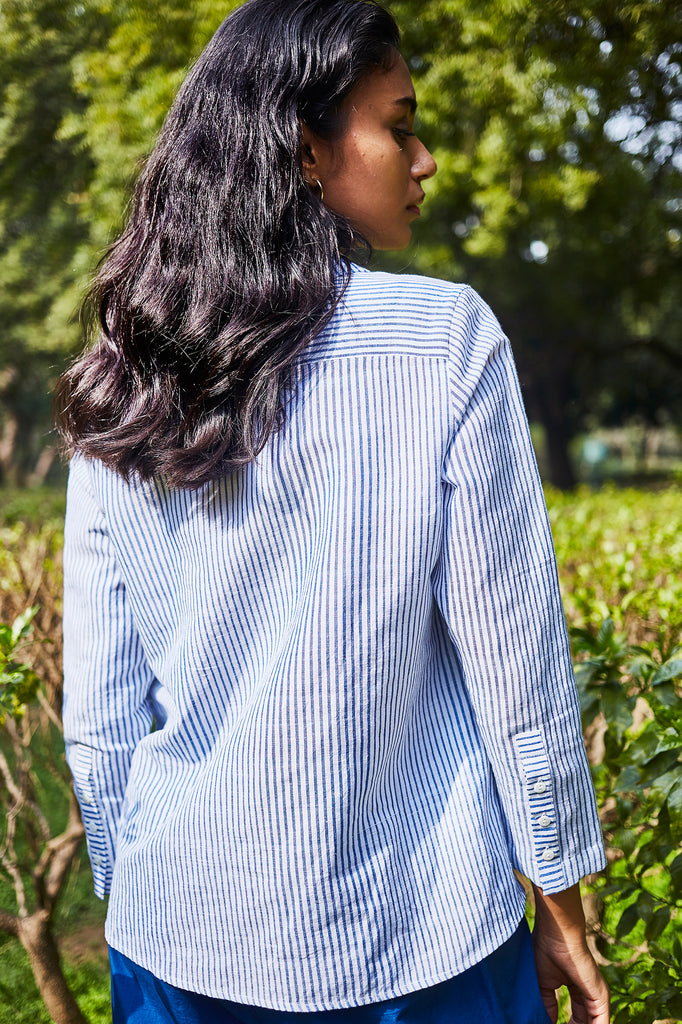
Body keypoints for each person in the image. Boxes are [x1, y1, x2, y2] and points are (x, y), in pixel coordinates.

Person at [57, 1, 610, 1022]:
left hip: (179, 948)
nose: (426, 157)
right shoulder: (445, 343)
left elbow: (98, 716)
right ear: (307, 148)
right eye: (398, 125)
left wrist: (132, 883)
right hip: (426, 942)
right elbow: (515, 663)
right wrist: (562, 893)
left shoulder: (124, 373)